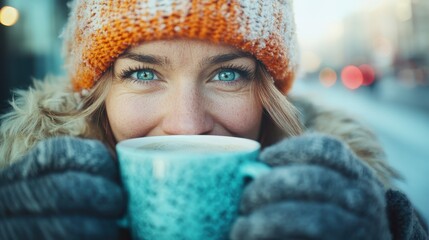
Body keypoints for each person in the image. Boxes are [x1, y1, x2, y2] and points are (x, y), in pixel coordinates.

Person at [0, 0, 427, 239]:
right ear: (98, 95)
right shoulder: (22, 206)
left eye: (228, 74)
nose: (187, 125)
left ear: (269, 97)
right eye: (143, 73)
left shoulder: (356, 203)